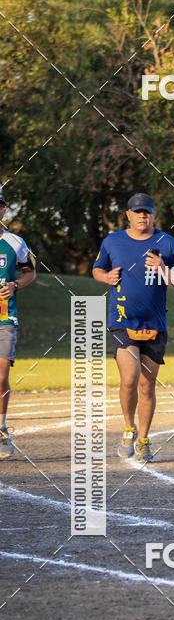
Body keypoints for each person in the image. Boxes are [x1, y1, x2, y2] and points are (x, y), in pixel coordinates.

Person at [92, 193, 174, 463]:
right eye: (137, 212)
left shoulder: (167, 243)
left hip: (155, 324)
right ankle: (128, 428)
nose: (142, 216)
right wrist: (106, 277)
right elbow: (97, 269)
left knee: (147, 385)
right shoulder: (113, 241)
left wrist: (163, 269)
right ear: (128, 215)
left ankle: (144, 439)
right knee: (130, 377)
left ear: (153, 214)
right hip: (122, 321)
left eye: (146, 212)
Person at [0, 192, 36, 458]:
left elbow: (30, 272)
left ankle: (1, 430)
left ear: (3, 210)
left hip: (4, 317)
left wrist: (14, 285)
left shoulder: (15, 242)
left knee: (1, 376)